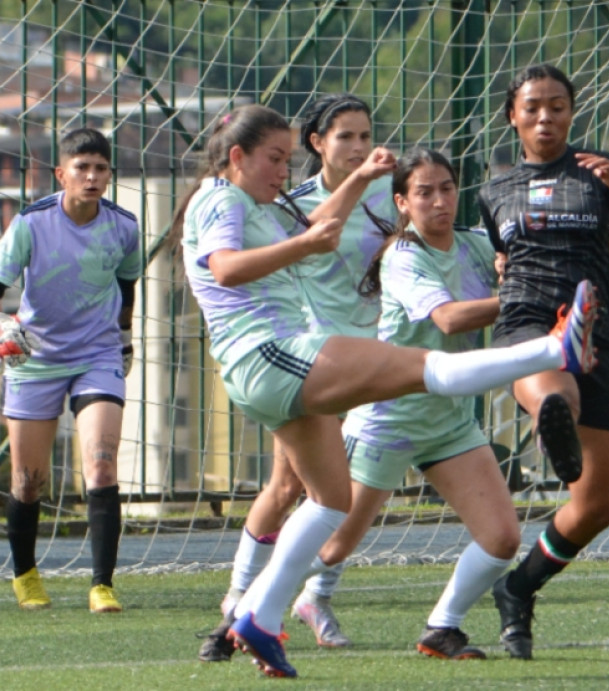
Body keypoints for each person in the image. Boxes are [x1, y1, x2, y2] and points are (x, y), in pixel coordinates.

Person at [172, 103, 596, 678]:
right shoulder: (222, 199)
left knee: (329, 503)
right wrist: (306, 245)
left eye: (288, 159)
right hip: (270, 353)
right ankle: (554, 350)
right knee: (426, 369)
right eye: (275, 158)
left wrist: (356, 182)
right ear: (236, 156)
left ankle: (258, 619)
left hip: (276, 367)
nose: (283, 170)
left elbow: (312, 226)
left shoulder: (254, 205)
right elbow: (225, 267)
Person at [477, 63, 609, 660]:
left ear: (571, 113)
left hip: (599, 335)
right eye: (532, 107)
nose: (545, 117)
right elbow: (499, 259)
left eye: (557, 106)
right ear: (513, 116)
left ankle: (517, 589)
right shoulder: (494, 192)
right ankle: (554, 418)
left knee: (597, 506)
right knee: (555, 392)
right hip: (527, 323)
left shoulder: (601, 171)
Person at [293, 146, 518, 661]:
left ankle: (442, 627)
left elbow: (519, 259)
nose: (439, 201)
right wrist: (520, 296)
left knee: (502, 538)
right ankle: (251, 608)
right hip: (387, 420)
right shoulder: (402, 255)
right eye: (424, 192)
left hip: (449, 423)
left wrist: (521, 269)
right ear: (402, 202)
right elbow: (449, 319)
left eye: (447, 188)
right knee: (331, 547)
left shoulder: (475, 244)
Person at [197, 93, 397, 661]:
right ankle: (243, 598)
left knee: (344, 491)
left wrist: (380, 207)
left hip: (355, 347)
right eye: (345, 137)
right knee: (295, 489)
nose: (358, 146)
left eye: (365, 136)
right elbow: (251, 258)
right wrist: (307, 241)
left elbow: (318, 230)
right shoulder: (248, 199)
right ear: (318, 143)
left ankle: (294, 601)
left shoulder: (366, 194)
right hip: (301, 357)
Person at [0, 127, 141, 613]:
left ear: (109, 175)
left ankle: (102, 585)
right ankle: (26, 576)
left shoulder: (125, 226)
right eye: (81, 168)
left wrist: (124, 340)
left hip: (98, 355)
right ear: (61, 174)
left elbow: (126, 288)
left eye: (101, 169)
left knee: (102, 464)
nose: (92, 177)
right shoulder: (31, 223)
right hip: (35, 358)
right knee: (28, 480)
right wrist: (0, 322)